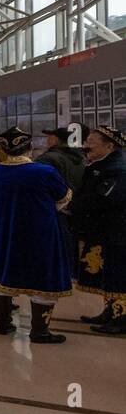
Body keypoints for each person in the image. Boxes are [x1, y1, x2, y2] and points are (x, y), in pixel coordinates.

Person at [0, 127, 74, 343]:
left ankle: (3, 323)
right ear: (30, 147)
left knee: (3, 272)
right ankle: (40, 330)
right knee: (43, 277)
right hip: (40, 231)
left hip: (5, 230)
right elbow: (63, 198)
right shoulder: (44, 172)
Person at [71, 126, 126, 334]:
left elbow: (104, 198)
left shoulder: (118, 169)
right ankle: (110, 311)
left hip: (117, 232)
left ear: (109, 146)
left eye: (92, 142)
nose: (87, 145)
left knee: (119, 274)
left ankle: (122, 316)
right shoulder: (101, 165)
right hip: (104, 230)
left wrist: (71, 205)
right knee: (109, 273)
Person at [37, 127, 85, 276]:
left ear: (56, 140)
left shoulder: (48, 159)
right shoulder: (80, 157)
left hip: (56, 207)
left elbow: (41, 183)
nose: (47, 140)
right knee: (72, 242)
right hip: (76, 205)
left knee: (56, 244)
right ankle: (73, 273)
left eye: (50, 137)